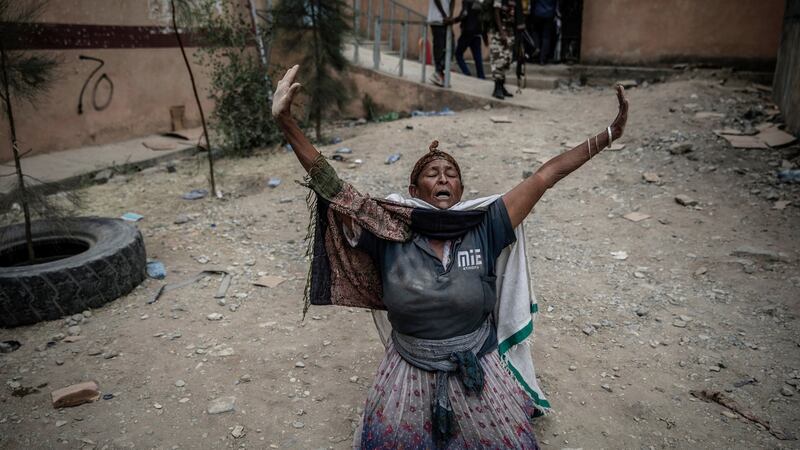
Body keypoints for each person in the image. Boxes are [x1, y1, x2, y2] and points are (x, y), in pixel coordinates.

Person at [272, 65, 629, 449]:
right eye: (432, 173)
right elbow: (332, 187)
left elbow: (544, 176)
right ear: (413, 188)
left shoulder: (487, 224)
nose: (443, 178)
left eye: (451, 173)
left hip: (478, 365)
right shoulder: (388, 228)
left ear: (460, 188)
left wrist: (609, 134)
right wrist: (286, 122)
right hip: (409, 368)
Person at [489, 0, 521, 99]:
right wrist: (501, 32)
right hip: (499, 32)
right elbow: (496, 12)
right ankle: (497, 88)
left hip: (510, 31)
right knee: (498, 60)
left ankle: (502, 87)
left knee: (506, 60)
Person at [454, 0, 486, 79]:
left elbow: (464, 14)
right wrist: (484, 35)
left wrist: (454, 20)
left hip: (467, 32)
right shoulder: (480, 2)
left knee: (458, 54)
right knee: (477, 57)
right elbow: (483, 19)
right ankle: (481, 77)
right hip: (477, 32)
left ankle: (467, 73)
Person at [428, 0, 454, 87]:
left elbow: (453, 1)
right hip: (437, 19)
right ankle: (438, 71)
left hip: (446, 21)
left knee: (451, 45)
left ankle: (440, 71)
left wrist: (450, 16)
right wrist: (444, 15)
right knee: (439, 45)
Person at [530, 0, 557, 64]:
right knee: (546, 37)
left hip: (538, 13)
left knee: (535, 30)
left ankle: (537, 47)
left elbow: (533, 2)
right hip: (549, 14)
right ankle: (542, 59)